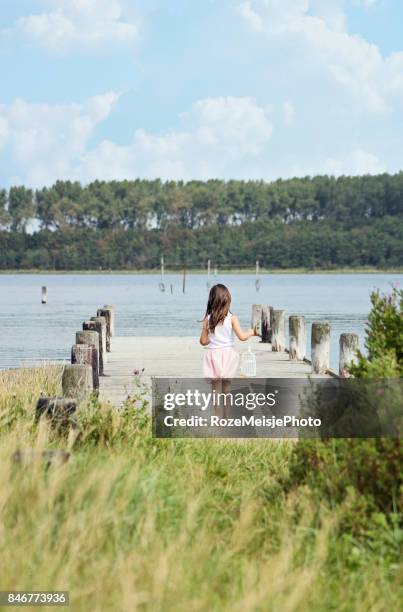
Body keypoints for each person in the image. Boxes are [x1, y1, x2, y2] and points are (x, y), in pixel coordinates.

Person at [200, 284, 257, 418]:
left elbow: (203, 341)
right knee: (226, 388)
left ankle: (217, 416)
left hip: (213, 355)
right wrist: (251, 332)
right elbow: (242, 337)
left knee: (215, 390)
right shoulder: (232, 318)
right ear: (227, 300)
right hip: (228, 356)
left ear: (211, 300)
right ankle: (227, 417)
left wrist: (213, 338)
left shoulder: (208, 320)